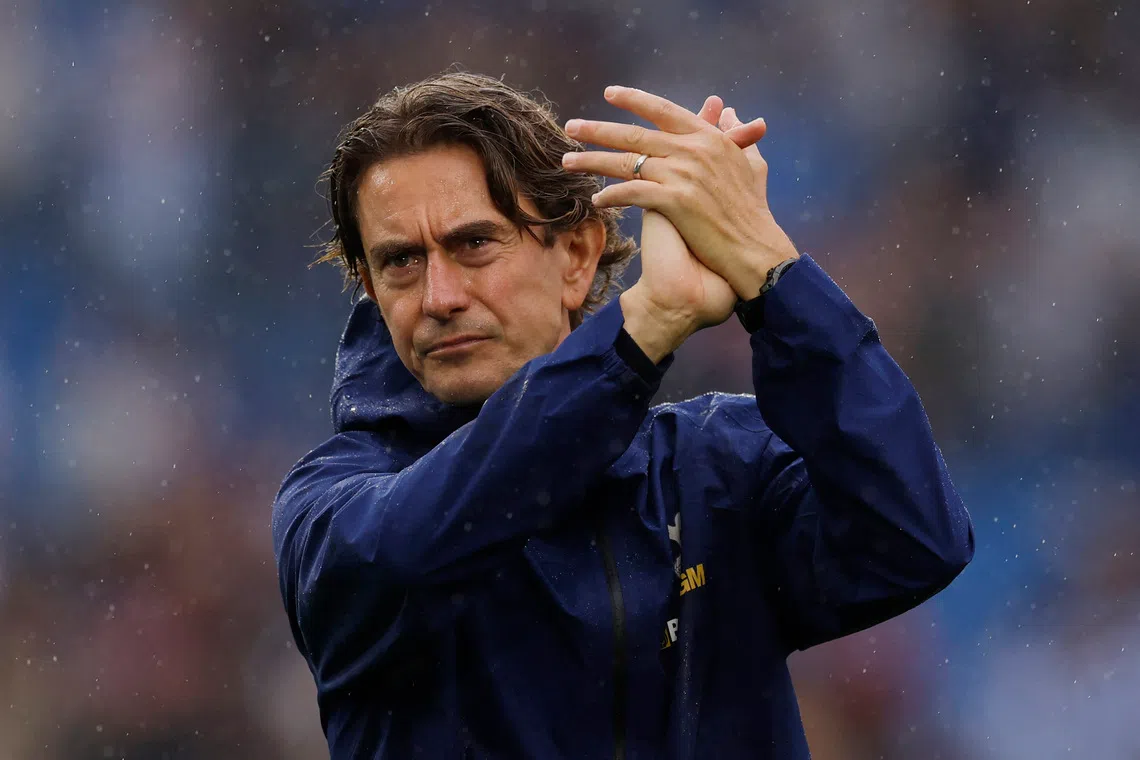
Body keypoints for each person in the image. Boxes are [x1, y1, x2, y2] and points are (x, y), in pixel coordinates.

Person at [271, 70, 975, 759]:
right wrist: (645, 326)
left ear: (577, 255)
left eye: (474, 244)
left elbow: (913, 539)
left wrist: (773, 274)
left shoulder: (717, 470)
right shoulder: (328, 507)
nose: (440, 296)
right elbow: (424, 541)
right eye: (401, 261)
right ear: (371, 288)